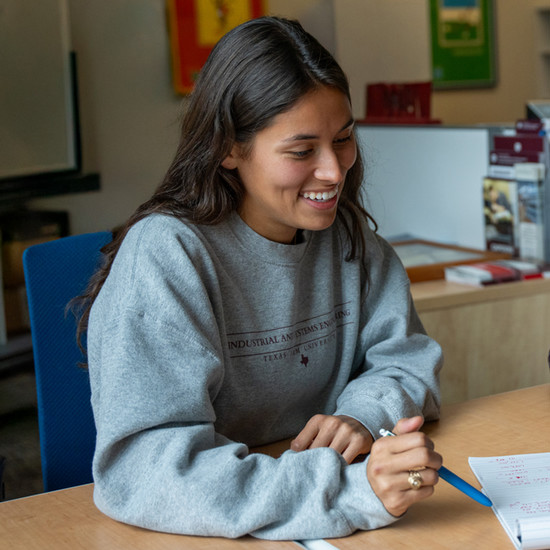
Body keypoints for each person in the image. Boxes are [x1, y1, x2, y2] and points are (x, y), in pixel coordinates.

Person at [79, 16, 443, 541]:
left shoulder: (351, 243)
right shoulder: (168, 254)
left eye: (343, 139)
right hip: (194, 529)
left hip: (302, 514)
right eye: (301, 151)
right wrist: (353, 491)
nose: (334, 171)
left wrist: (366, 415)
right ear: (229, 148)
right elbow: (142, 471)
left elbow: (408, 363)